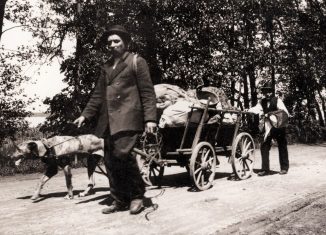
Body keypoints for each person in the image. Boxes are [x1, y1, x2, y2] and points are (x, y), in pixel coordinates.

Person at [74, 25, 157, 214]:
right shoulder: (106, 67)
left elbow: (147, 92)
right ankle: (119, 199)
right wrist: (85, 114)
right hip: (109, 121)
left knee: (123, 156)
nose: (112, 45)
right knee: (110, 161)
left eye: (116, 41)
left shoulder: (137, 61)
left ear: (126, 43)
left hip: (128, 118)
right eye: (109, 42)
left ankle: (137, 196)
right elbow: (97, 95)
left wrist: (150, 118)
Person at [249, 80, 289, 176]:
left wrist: (271, 114)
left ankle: (284, 168)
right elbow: (256, 109)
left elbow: (285, 113)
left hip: (278, 126)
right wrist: (248, 110)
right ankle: (265, 169)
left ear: (272, 92)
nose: (267, 93)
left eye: (269, 91)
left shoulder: (277, 100)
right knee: (264, 146)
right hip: (268, 127)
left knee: (282, 146)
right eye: (265, 91)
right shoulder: (261, 102)